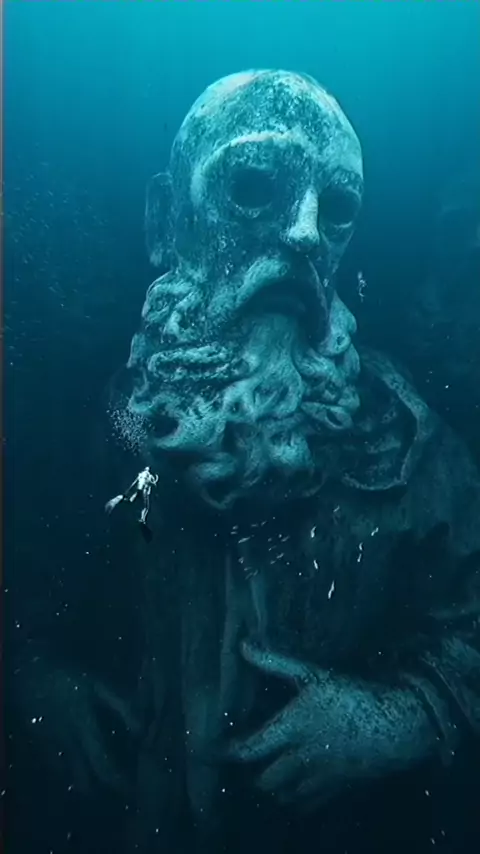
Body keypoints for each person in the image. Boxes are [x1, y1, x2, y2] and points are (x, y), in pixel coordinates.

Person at [105, 465, 158, 541]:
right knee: (145, 507)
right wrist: (154, 482)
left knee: (130, 501)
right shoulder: (149, 476)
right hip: (144, 492)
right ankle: (142, 519)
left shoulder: (141, 474)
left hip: (138, 490)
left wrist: (127, 492)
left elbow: (134, 483)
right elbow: (152, 484)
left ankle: (120, 499)